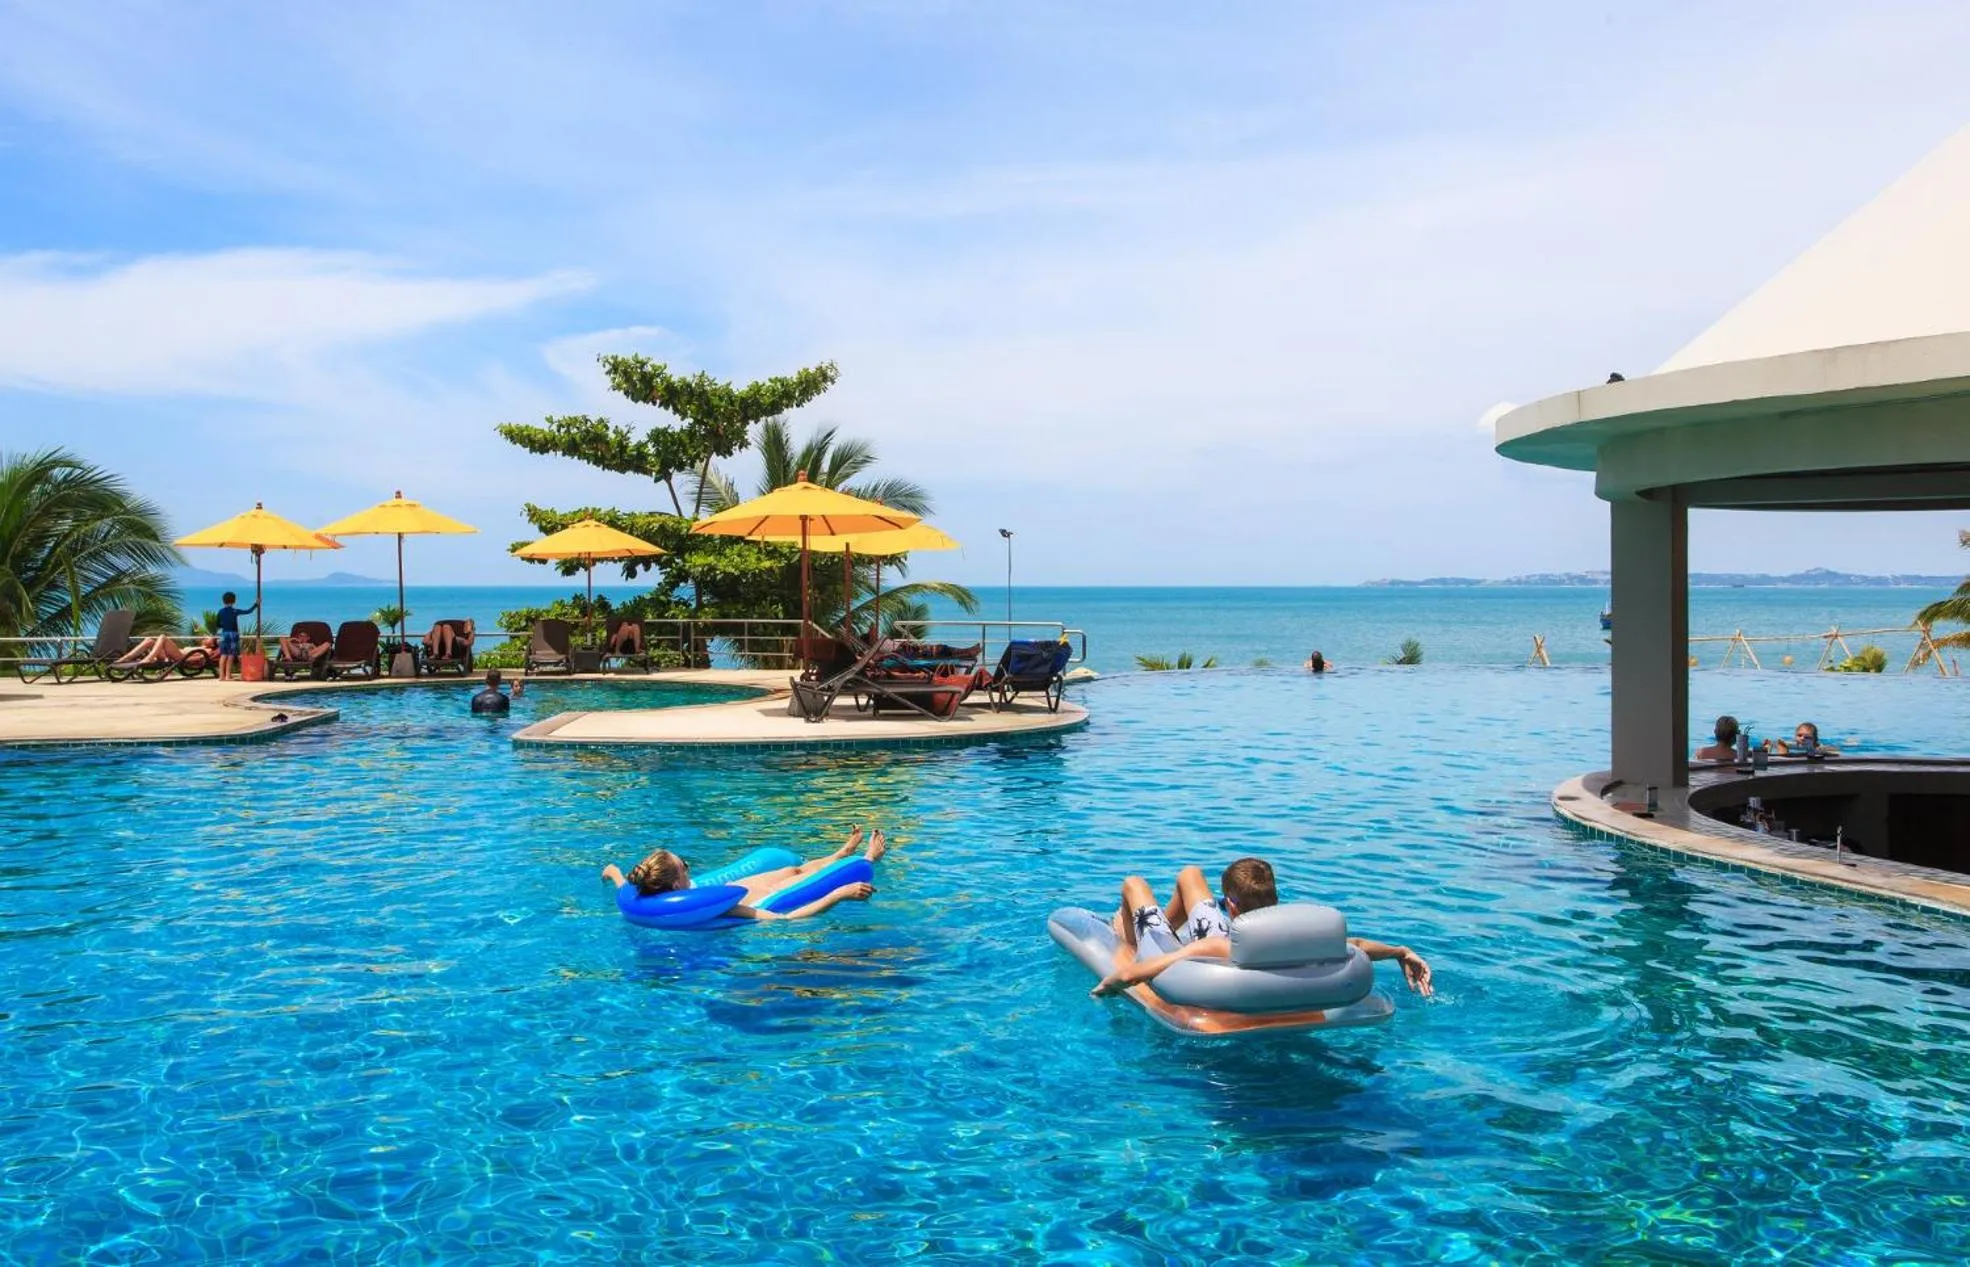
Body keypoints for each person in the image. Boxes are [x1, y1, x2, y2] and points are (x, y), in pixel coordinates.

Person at [1091, 857, 1432, 998]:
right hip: (1223, 931)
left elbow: (1137, 973)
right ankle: (1164, 924)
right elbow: (1354, 943)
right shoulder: (1301, 937)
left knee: (1134, 884)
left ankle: (1134, 934)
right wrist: (1401, 952)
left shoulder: (1219, 948)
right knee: (1190, 875)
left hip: (1195, 945)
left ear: (1232, 906)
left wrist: (1104, 987)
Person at [602, 827, 885, 921]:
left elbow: (624, 885)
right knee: (799, 877)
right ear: (676, 883)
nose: (689, 867)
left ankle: (839, 855)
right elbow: (784, 921)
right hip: (767, 900)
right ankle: (869, 858)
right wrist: (839, 895)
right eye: (684, 865)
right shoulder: (714, 908)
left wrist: (613, 871)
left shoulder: (644, 888)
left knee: (791, 868)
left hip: (743, 887)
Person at [214, 591, 258, 682]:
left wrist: (224, 625)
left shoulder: (220, 611)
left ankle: (221, 676)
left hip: (223, 634)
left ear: (223, 601)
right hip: (233, 634)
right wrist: (256, 604)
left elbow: (218, 624)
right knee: (230, 655)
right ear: (234, 601)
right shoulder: (234, 611)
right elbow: (248, 611)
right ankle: (228, 676)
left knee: (223, 655)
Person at [115, 634, 218, 670]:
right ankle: (126, 658)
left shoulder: (207, 651)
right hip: (172, 656)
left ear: (213, 644)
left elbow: (200, 659)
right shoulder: (201, 647)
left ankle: (149, 658)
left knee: (163, 637)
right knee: (149, 640)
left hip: (180, 658)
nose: (205, 636)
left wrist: (186, 660)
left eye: (209, 637)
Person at [1772, 721, 1839, 757]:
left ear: (1814, 740)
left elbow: (1836, 751)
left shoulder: (1818, 748)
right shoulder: (1794, 744)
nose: (1802, 738)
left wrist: (1815, 751)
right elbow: (1779, 742)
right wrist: (1783, 751)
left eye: (1807, 737)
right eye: (1799, 735)